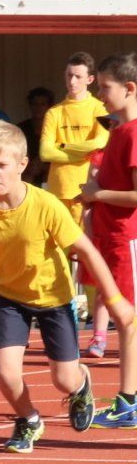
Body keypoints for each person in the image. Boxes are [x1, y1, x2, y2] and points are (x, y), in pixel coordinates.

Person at [0, 122, 132, 454]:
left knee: (64, 380)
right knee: (4, 369)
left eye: (1, 165)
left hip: (54, 300)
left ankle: (81, 383)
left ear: (22, 165)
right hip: (9, 298)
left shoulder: (45, 205)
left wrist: (115, 299)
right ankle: (28, 418)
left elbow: (87, 251)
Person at [82, 53, 137, 427]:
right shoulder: (117, 133)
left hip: (127, 238)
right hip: (112, 237)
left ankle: (128, 401)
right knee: (125, 318)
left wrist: (97, 195)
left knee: (128, 319)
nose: (100, 94)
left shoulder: (133, 134)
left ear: (129, 88)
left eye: (105, 87)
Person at [39, 52, 108, 228]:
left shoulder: (99, 108)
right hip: (58, 189)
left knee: (85, 247)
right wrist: (80, 155)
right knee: (59, 246)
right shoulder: (54, 112)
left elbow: (99, 143)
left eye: (78, 76)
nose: (72, 81)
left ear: (90, 79)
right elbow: (45, 152)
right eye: (69, 75)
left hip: (85, 188)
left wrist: (61, 147)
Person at [23, 86, 56, 187]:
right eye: (35, 104)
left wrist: (43, 167)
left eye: (42, 104)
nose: (38, 108)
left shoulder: (56, 129)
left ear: (49, 107)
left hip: (51, 179)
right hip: (26, 176)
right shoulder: (21, 128)